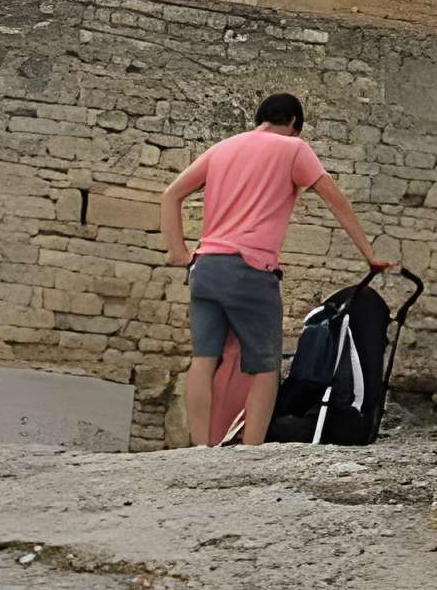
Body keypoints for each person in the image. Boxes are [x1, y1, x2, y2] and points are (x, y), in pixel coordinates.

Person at [158, 91, 395, 446]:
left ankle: (199, 447)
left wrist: (179, 253)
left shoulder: (223, 148)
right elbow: (337, 202)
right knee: (265, 367)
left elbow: (171, 195)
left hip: (205, 266)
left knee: (203, 359)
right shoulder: (294, 149)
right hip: (251, 271)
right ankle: (253, 448)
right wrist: (370, 255)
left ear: (260, 119)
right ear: (295, 125)